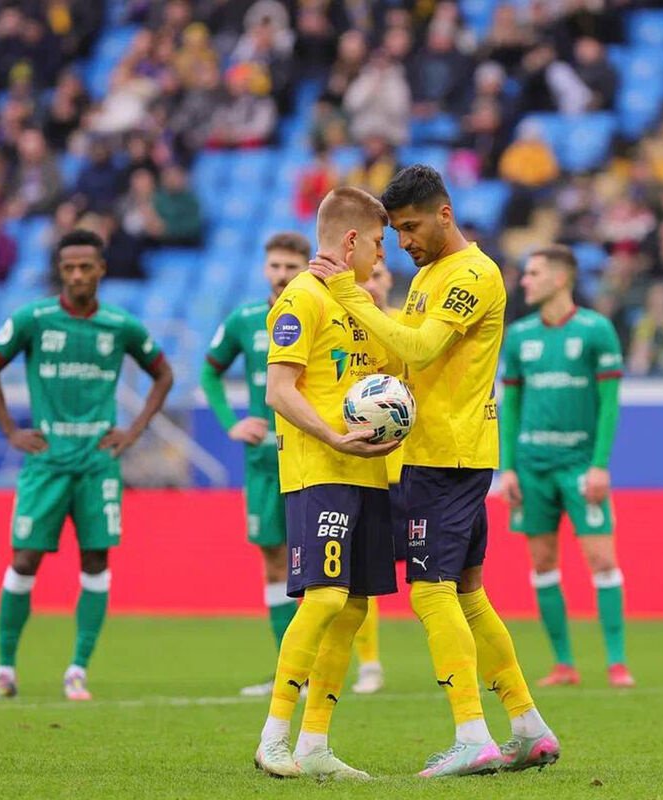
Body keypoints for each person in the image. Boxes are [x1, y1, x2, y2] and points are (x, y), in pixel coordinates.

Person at [309, 165, 559, 777]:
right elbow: (408, 350)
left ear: (445, 214)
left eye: (412, 227)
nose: (403, 242)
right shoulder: (427, 276)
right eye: (395, 231)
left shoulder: (473, 274)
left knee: (430, 591)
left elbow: (421, 349)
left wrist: (351, 296)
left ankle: (471, 735)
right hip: (440, 451)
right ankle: (528, 726)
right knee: (469, 594)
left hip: (447, 455)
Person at [0, 230, 174, 702]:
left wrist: (134, 431)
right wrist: (10, 431)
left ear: (101, 268)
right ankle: (4, 671)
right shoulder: (33, 319)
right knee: (24, 560)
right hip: (46, 462)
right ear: (60, 271)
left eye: (86, 266)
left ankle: (77, 670)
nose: (78, 275)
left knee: (96, 560)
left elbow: (164, 374)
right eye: (69, 268)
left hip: (97, 464)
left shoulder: (120, 325)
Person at [253, 188, 400, 780]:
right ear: (352, 239)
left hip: (368, 472)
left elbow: (394, 376)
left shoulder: (360, 303)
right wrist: (335, 438)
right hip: (319, 471)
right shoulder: (303, 297)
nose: (382, 254)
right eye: (379, 242)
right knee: (325, 598)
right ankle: (273, 737)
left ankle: (315, 743)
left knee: (354, 605)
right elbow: (279, 390)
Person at [498, 246, 634, 689]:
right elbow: (510, 404)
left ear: (560, 279)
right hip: (532, 467)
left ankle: (616, 662)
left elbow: (609, 403)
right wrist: (507, 468)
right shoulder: (519, 336)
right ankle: (564, 664)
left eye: (533, 273)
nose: (524, 281)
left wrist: (600, 465)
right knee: (542, 561)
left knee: (601, 559)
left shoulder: (596, 330)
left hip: (579, 465)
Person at [201, 232, 310, 697]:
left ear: (306, 267)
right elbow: (209, 370)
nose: (282, 275)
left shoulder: (320, 313)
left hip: (312, 456)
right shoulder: (245, 320)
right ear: (265, 269)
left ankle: (323, 670)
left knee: (321, 566)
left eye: (291, 266)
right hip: (264, 462)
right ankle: (291, 673)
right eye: (275, 266)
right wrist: (232, 423)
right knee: (273, 560)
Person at [348, 259, 398, 696]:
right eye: (363, 279)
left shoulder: (408, 329)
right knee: (360, 575)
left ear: (390, 280)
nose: (371, 285)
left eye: (377, 276)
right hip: (367, 470)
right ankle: (369, 664)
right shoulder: (346, 333)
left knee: (443, 576)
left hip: (412, 470)